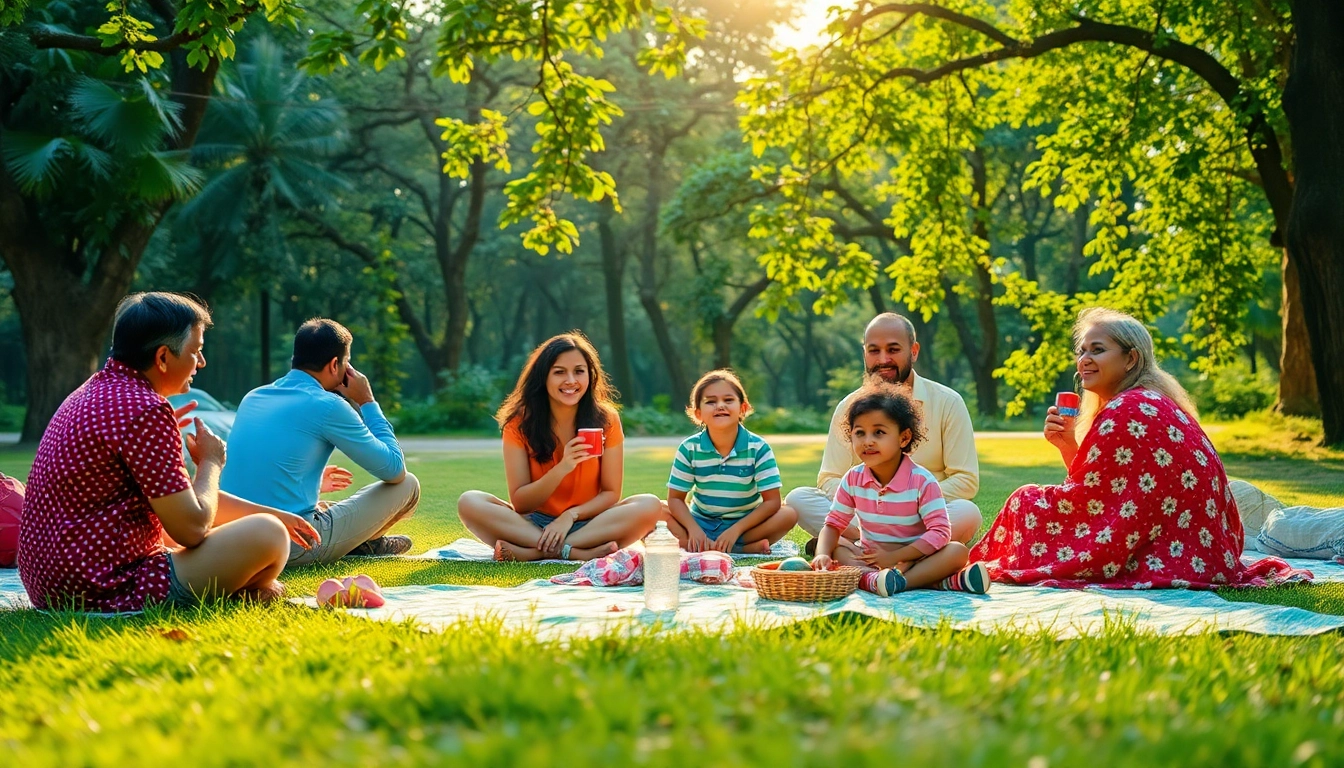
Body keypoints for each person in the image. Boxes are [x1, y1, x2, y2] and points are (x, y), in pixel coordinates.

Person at [968, 307, 1309, 589]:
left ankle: (959, 565)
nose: (1084, 360)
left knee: (1025, 501)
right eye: (1081, 351)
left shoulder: (1127, 408)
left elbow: (1094, 501)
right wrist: (1067, 443)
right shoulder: (1150, 400)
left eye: (1097, 350)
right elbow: (1107, 490)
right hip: (1203, 551)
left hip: (1170, 546)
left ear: (1131, 358)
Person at [18, 293, 314, 611]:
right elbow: (191, 528)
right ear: (162, 358)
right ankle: (238, 590)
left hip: (50, 583)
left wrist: (277, 514)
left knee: (267, 523)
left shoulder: (93, 391)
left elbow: (178, 501)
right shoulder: (145, 409)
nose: (201, 363)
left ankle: (238, 587)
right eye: (196, 352)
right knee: (268, 535)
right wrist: (211, 462)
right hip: (103, 586)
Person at [221, 319, 420, 565]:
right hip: (292, 543)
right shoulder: (329, 406)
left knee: (326, 505)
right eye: (346, 362)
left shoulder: (254, 396)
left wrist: (310, 480)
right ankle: (364, 542)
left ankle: (360, 542)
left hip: (230, 537)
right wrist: (368, 402)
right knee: (408, 486)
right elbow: (394, 470)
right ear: (335, 364)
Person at [458, 333, 661, 561]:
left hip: (592, 524)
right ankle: (573, 552)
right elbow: (521, 503)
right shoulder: (519, 422)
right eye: (559, 372)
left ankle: (534, 552)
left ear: (590, 376)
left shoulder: (606, 419)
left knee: (650, 505)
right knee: (469, 501)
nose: (571, 381)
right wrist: (564, 466)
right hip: (533, 523)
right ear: (543, 377)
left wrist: (570, 516)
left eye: (579, 371)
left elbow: (611, 493)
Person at [786, 313, 982, 551]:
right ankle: (895, 548)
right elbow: (829, 477)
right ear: (864, 354)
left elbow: (966, 480)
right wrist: (870, 504)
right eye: (874, 350)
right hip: (867, 514)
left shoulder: (948, 402)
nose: (883, 359)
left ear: (914, 351)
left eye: (893, 349)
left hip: (924, 515)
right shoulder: (849, 406)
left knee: (968, 512)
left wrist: (906, 501)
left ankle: (851, 546)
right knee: (798, 499)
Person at [811, 385, 991, 596]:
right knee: (835, 546)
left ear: (904, 438)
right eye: (859, 433)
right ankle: (944, 583)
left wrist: (896, 557)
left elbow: (940, 533)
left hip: (917, 557)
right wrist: (822, 554)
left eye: (879, 432)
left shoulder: (922, 481)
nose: (867, 441)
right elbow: (833, 524)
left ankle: (887, 582)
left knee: (957, 552)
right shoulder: (852, 479)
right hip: (871, 558)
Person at [663, 370, 797, 554]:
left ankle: (729, 545)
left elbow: (772, 502)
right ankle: (735, 548)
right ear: (699, 413)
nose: (720, 406)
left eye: (728, 400)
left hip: (745, 526)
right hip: (701, 522)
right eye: (711, 401)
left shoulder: (758, 448)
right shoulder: (689, 448)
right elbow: (676, 499)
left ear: (743, 408)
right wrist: (694, 529)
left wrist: (736, 530)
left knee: (788, 514)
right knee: (656, 510)